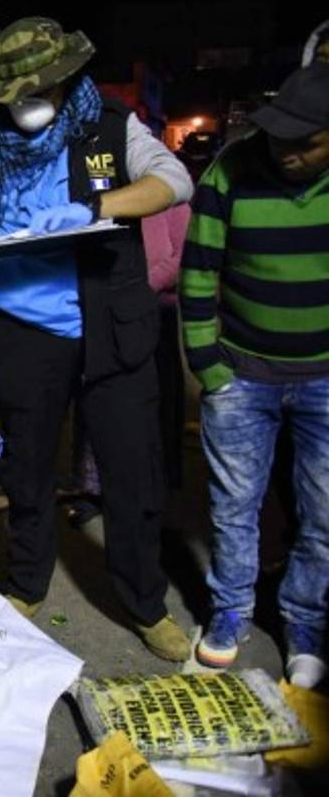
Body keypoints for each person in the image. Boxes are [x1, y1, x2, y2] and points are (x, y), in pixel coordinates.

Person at [0, 17, 195, 661]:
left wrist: (99, 208)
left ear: (66, 79)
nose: (27, 104)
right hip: (21, 329)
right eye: (15, 94)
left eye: (38, 90)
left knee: (131, 472)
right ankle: (26, 582)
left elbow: (174, 181)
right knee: (25, 467)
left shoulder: (110, 126)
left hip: (110, 326)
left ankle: (145, 602)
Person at [181, 63, 329, 688]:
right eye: (278, 137)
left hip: (324, 380)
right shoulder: (231, 171)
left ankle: (305, 623)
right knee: (233, 507)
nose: (286, 152)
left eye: (306, 142)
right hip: (241, 375)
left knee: (323, 514)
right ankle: (230, 611)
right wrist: (209, 368)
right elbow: (198, 272)